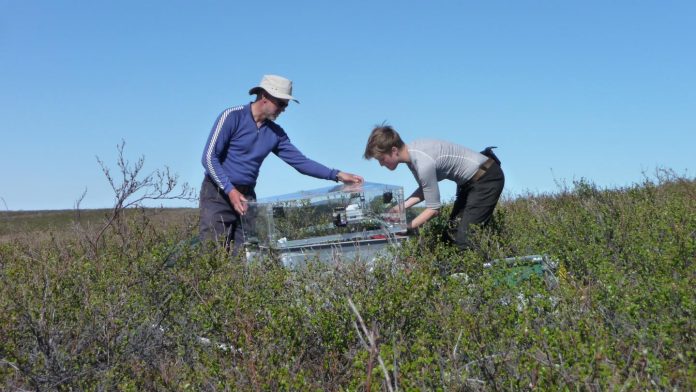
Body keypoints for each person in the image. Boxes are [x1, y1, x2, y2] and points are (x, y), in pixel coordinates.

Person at [200, 74, 363, 255]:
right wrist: (230, 190)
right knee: (212, 253)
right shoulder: (232, 116)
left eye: (286, 105)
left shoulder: (275, 133)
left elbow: (301, 162)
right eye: (281, 103)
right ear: (265, 97)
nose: (284, 109)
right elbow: (208, 157)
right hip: (218, 194)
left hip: (247, 198)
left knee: (247, 255)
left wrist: (337, 174)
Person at [363, 124, 504, 251]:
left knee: (465, 240)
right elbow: (426, 189)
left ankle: (475, 276)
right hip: (470, 184)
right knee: (450, 237)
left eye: (381, 159)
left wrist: (406, 228)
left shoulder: (422, 161)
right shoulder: (412, 156)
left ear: (394, 151)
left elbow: (433, 210)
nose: (381, 164)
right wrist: (402, 206)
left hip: (486, 179)